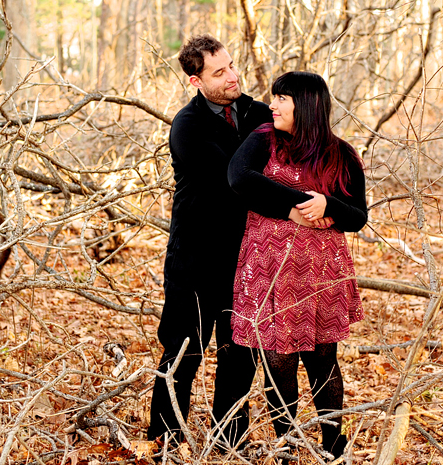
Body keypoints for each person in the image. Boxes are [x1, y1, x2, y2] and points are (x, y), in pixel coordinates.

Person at [227, 71, 367, 460]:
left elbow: (357, 216)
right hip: (270, 270)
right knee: (278, 361)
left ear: (307, 106)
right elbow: (239, 179)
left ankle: (333, 447)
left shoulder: (342, 154)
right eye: (274, 97)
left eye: (282, 98)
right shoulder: (263, 140)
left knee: (324, 361)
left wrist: (329, 205)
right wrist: (295, 205)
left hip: (321, 272)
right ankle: (288, 446)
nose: (272, 105)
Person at [148, 35, 272, 449]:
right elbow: (236, 179)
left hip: (248, 255)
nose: (233, 76)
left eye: (232, 66)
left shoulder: (259, 112)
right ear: (195, 81)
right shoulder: (188, 125)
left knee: (240, 352)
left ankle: (229, 441)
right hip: (196, 258)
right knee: (184, 351)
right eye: (219, 73)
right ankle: (164, 441)